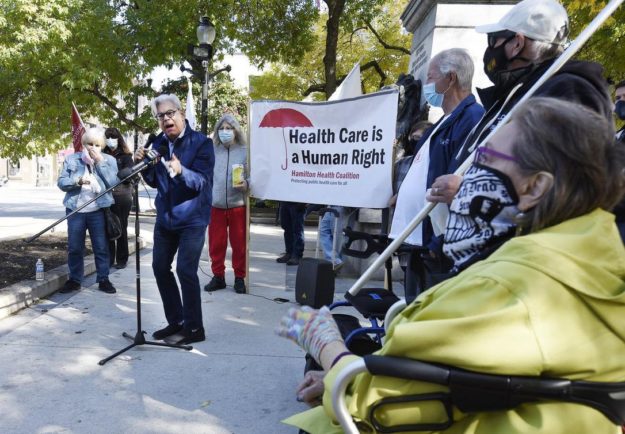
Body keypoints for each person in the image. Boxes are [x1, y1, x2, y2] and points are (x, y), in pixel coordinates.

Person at [277, 97, 625, 433]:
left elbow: (378, 404)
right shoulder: (593, 261)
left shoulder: (510, 287)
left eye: (485, 158)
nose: (466, 177)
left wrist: (327, 346)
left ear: (535, 187)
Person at [428, 0, 613, 207]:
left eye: (494, 41)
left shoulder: (567, 91)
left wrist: (469, 191)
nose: (489, 50)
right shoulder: (513, 93)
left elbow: (562, 179)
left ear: (517, 43)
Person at [389, 48, 484, 293]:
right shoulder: (443, 120)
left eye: (430, 78)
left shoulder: (472, 118)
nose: (427, 85)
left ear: (450, 78)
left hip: (435, 243)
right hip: (416, 240)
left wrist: (437, 242)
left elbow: (456, 178)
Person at [134, 94, 214, 345]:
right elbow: (155, 181)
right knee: (159, 267)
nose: (166, 119)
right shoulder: (156, 143)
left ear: (182, 114)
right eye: (161, 116)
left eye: (170, 113)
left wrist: (181, 172)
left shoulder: (201, 143)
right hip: (165, 219)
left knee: (185, 270)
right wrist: (143, 165)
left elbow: (201, 182)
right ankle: (176, 321)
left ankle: (194, 328)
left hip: (192, 219)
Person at [57, 127, 118, 294]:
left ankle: (103, 279)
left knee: (101, 246)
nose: (93, 148)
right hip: (75, 210)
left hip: (98, 210)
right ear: (83, 144)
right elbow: (62, 183)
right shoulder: (72, 160)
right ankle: (75, 280)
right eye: (89, 144)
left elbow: (113, 183)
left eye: (97, 145)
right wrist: (77, 180)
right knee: (75, 247)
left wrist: (99, 162)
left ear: (102, 146)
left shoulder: (108, 161)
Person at [204, 113, 249, 294]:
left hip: (238, 204)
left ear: (236, 130)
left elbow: (255, 176)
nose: (225, 132)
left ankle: (239, 278)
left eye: (228, 128)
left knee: (239, 244)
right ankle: (218, 277)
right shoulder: (213, 150)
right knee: (216, 244)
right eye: (221, 129)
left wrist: (247, 184)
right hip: (216, 205)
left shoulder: (245, 151)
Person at [102, 127, 134, 269]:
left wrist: (124, 174)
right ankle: (109, 259)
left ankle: (122, 259)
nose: (110, 140)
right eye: (108, 137)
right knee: (108, 228)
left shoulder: (126, 156)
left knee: (121, 227)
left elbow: (131, 174)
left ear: (118, 139)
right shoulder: (102, 153)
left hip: (122, 196)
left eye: (113, 137)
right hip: (106, 196)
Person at [277, 201, 306, 266]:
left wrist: (303, 202)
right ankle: (289, 253)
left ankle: (297, 255)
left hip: (298, 201)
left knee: (297, 230)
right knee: (286, 228)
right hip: (285, 200)